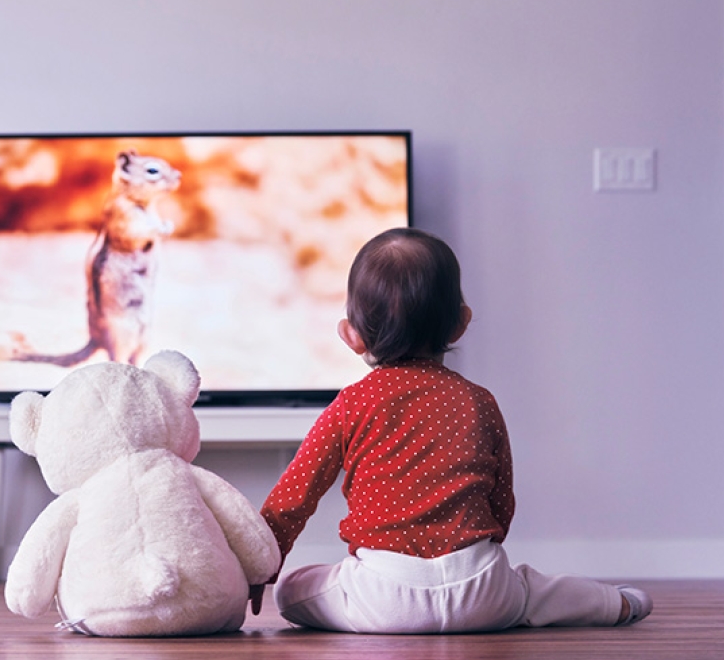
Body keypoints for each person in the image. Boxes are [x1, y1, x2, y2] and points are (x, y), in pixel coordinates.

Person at [258, 227, 651, 633]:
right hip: (482, 593)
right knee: (533, 590)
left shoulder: (350, 405)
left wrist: (261, 573)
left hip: (383, 599)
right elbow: (501, 503)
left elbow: (291, 500)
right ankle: (616, 603)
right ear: (461, 323)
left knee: (291, 590)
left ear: (350, 335)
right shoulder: (479, 400)